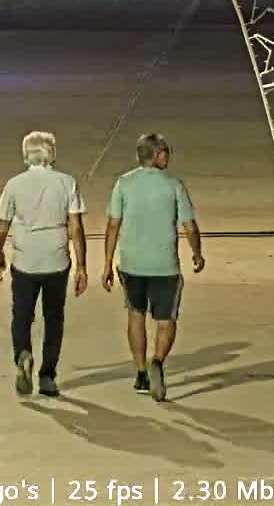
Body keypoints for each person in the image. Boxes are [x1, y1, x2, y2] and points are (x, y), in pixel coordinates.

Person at [103, 133, 203, 402]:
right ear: (157, 154)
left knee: (136, 315)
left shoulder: (123, 183)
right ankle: (157, 361)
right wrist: (197, 253)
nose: (169, 155)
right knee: (166, 319)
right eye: (166, 151)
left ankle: (140, 373)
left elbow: (113, 225)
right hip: (164, 267)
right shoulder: (174, 186)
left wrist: (107, 264)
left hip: (132, 264)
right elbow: (189, 226)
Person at [0, 131, 87, 398]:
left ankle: (23, 353)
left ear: (26, 154)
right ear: (51, 153)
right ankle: (47, 376)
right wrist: (81, 266)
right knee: (54, 318)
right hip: (56, 259)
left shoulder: (14, 185)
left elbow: (0, 228)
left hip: (25, 260)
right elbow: (76, 228)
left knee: (21, 315)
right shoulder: (66, 183)